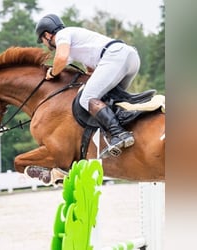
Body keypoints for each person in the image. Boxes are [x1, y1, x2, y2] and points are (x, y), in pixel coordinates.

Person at [35, 14, 140, 156]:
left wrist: (52, 73)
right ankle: (130, 127)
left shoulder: (62, 35)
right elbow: (90, 70)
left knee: (87, 99)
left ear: (47, 35)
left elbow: (60, 58)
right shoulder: (75, 42)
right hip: (130, 57)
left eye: (43, 41)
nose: (46, 47)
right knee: (110, 99)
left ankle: (120, 134)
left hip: (115, 56)